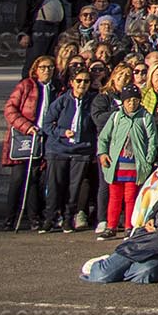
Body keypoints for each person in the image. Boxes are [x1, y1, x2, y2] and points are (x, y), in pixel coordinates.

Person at [94, 85, 157, 241]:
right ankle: (111, 226)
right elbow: (103, 138)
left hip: (135, 165)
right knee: (115, 197)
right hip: (116, 164)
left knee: (131, 197)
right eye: (128, 100)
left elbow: (152, 141)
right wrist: (102, 154)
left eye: (135, 100)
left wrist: (148, 160)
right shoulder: (116, 117)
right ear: (123, 101)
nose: (132, 103)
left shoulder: (145, 117)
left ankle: (129, 226)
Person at [40, 68, 100, 232]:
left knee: (74, 188)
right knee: (55, 186)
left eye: (86, 81)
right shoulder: (62, 101)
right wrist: (62, 132)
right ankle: (50, 218)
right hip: (59, 149)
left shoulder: (92, 102)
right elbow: (47, 124)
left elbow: (96, 125)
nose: (82, 84)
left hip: (81, 151)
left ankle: (68, 219)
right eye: (79, 81)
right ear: (72, 82)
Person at [2, 57, 55, 231]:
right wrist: (26, 126)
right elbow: (10, 109)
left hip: (43, 138)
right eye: (43, 67)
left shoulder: (55, 88)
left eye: (50, 67)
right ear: (36, 69)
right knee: (18, 178)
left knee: (34, 178)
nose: (47, 70)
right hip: (24, 136)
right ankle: (9, 218)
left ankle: (34, 218)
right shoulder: (26, 85)